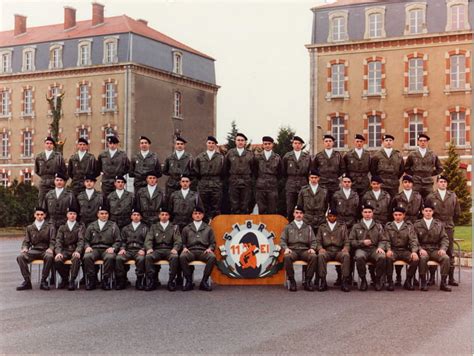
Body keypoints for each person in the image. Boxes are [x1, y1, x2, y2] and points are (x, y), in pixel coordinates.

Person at [426, 175, 460, 287]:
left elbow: (457, 213)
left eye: (445, 182)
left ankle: (450, 277)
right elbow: (429, 211)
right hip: (435, 226)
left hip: (449, 226)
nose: (443, 183)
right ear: (437, 183)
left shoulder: (453, 196)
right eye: (441, 181)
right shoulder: (431, 196)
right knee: (435, 249)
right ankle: (431, 277)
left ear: (447, 183)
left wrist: (449, 222)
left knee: (449, 252)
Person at [391, 175, 423, 286]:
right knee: (400, 247)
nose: (407, 184)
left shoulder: (418, 196)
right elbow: (393, 211)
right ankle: (398, 276)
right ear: (402, 184)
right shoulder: (397, 197)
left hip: (414, 224)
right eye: (405, 182)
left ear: (412, 184)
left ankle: (412, 277)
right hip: (401, 224)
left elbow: (421, 212)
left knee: (414, 250)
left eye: (409, 182)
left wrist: (418, 224)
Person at [414, 203, 451, 292]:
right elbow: (414, 239)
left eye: (430, 211)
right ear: (422, 212)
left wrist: (443, 249)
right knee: (423, 258)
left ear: (433, 212)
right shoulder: (417, 224)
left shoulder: (439, 224)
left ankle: (443, 283)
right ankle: (423, 282)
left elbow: (444, 238)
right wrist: (420, 249)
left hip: (435, 249)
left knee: (445, 258)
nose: (428, 213)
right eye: (426, 211)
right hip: (423, 249)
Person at [16, 207, 55, 291]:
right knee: (20, 257)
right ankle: (27, 282)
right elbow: (26, 241)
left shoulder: (50, 226)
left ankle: (43, 281)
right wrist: (25, 247)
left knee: (49, 257)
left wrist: (51, 248)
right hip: (34, 250)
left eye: (41, 214)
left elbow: (53, 240)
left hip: (45, 250)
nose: (39, 216)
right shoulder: (30, 227)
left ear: (45, 215)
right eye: (37, 214)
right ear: (34, 215)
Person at [349, 205, 387, 291]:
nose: (367, 214)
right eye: (365, 212)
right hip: (361, 249)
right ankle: (363, 279)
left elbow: (383, 240)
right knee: (359, 257)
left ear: (373, 213)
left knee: (382, 257)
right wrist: (362, 242)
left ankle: (377, 279)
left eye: (369, 212)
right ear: (362, 213)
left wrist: (380, 247)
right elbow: (351, 241)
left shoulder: (378, 226)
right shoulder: (356, 226)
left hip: (374, 249)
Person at [280, 205, 317, 292]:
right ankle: (292, 280)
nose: (299, 215)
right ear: (293, 214)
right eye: (297, 213)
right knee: (287, 257)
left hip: (304, 250)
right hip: (293, 250)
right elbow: (282, 240)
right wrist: (286, 248)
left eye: (300, 213)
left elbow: (314, 241)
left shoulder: (308, 227)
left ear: (303, 215)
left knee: (313, 256)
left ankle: (307, 281)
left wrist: (312, 248)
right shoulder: (288, 227)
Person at [144, 207, 182, 291]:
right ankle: (151, 280)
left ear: (169, 216)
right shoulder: (154, 226)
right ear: (159, 216)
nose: (164, 216)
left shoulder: (174, 227)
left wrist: (175, 248)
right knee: (148, 257)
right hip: (157, 250)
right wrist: (149, 248)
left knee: (175, 257)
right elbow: (149, 239)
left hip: (169, 249)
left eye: (166, 215)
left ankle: (171, 281)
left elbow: (178, 240)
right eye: (162, 214)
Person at [83, 207, 121, 290]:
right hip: (94, 248)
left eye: (106, 214)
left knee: (110, 257)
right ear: (98, 215)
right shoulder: (91, 225)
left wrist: (113, 248)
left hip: (107, 248)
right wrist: (87, 246)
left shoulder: (113, 226)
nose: (104, 215)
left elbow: (118, 241)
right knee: (87, 257)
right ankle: (92, 280)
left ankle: (106, 280)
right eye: (102, 213)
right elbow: (85, 240)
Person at [180, 207, 216, 291]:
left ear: (203, 215)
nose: (197, 215)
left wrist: (210, 248)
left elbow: (213, 243)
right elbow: (182, 242)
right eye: (195, 213)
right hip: (190, 251)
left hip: (203, 251)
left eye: (199, 214)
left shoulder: (208, 228)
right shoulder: (186, 228)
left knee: (212, 257)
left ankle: (204, 281)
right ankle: (189, 281)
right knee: (182, 257)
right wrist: (184, 248)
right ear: (192, 215)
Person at [384, 207, 419, 291]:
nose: (398, 217)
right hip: (393, 250)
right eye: (395, 215)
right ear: (393, 215)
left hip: (404, 250)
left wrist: (414, 252)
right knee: (388, 258)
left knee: (415, 259)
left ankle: (408, 281)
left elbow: (413, 240)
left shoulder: (409, 227)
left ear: (404, 215)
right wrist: (388, 249)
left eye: (400, 215)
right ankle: (390, 282)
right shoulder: (389, 226)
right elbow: (386, 240)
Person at [316, 208, 351, 292]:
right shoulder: (322, 227)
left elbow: (347, 241)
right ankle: (323, 281)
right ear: (327, 217)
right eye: (330, 216)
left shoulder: (342, 226)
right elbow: (318, 241)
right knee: (321, 256)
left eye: (334, 216)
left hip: (338, 251)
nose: (332, 218)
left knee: (346, 256)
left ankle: (344, 281)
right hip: (326, 250)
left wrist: (346, 248)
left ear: (337, 217)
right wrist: (320, 248)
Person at [115, 209, 148, 290]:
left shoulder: (145, 228)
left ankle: (139, 280)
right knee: (119, 258)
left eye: (138, 215)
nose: (136, 217)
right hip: (128, 250)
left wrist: (143, 249)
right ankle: (122, 280)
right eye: (134, 215)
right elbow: (122, 240)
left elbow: (148, 241)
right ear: (131, 217)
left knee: (141, 259)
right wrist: (122, 248)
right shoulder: (126, 228)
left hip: (139, 250)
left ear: (141, 217)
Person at [194, 136, 224, 222]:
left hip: (216, 184)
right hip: (203, 184)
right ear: (206, 144)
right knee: (203, 207)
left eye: (213, 143)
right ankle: (203, 226)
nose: (211, 145)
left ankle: (217, 226)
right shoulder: (200, 157)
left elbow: (223, 172)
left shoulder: (220, 157)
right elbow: (196, 171)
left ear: (215, 145)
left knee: (216, 207)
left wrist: (219, 182)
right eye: (209, 143)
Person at [54, 208, 85, 290]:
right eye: (70, 214)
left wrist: (78, 251)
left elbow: (81, 241)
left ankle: (72, 280)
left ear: (76, 216)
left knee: (76, 259)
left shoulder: (80, 227)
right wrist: (58, 252)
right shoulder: (62, 227)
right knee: (57, 260)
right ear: (67, 215)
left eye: (74, 214)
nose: (72, 216)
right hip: (64, 250)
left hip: (75, 250)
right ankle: (65, 278)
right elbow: (58, 241)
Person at [404, 134, 443, 199]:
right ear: (418, 142)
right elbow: (406, 168)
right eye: (421, 141)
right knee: (415, 200)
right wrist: (414, 174)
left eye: (425, 141)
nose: (423, 142)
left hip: (428, 182)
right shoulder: (412, 154)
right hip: (416, 182)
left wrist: (431, 173)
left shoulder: (432, 154)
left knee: (430, 200)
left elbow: (440, 168)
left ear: (427, 142)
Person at [224, 133, 254, 214]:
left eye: (242, 140)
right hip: (234, 181)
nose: (240, 142)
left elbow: (253, 168)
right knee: (234, 204)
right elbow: (226, 168)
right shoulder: (230, 153)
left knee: (245, 204)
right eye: (238, 140)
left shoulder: (250, 154)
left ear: (245, 142)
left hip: (246, 181)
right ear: (235, 142)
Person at [282, 136, 310, 220]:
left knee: (303, 207)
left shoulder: (307, 157)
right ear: (292, 144)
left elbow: (309, 170)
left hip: (303, 184)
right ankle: (290, 225)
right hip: (291, 184)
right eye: (295, 143)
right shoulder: (287, 156)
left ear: (301, 145)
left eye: (299, 144)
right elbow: (283, 171)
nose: (297, 145)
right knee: (290, 208)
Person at [311, 134, 345, 202]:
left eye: (330, 141)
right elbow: (314, 169)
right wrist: (320, 177)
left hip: (334, 184)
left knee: (334, 205)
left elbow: (342, 168)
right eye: (326, 141)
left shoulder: (338, 155)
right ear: (323, 143)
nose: (328, 143)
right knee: (322, 204)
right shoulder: (319, 156)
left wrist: (335, 176)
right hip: (322, 184)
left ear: (333, 143)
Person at [35, 136, 67, 205]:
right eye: (47, 143)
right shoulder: (39, 156)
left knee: (53, 202)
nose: (49, 145)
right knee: (42, 202)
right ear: (44, 144)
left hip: (54, 183)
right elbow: (37, 170)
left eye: (50, 143)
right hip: (43, 183)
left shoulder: (58, 157)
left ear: (53, 145)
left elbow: (64, 170)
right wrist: (44, 177)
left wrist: (59, 181)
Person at [370, 134, 404, 199]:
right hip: (382, 183)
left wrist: (395, 177)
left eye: (390, 140)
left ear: (393, 142)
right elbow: (373, 170)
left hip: (393, 184)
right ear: (383, 142)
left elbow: (401, 169)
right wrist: (378, 180)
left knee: (394, 201)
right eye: (386, 140)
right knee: (382, 201)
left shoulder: (398, 155)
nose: (388, 142)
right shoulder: (377, 155)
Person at [254, 136, 282, 214]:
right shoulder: (257, 157)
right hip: (260, 186)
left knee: (272, 209)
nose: (267, 145)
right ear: (262, 145)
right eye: (265, 144)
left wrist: (274, 181)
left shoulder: (277, 157)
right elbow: (255, 171)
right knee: (261, 209)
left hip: (272, 186)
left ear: (272, 145)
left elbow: (280, 172)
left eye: (269, 144)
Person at [162, 136, 193, 204]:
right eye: (178, 144)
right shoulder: (170, 157)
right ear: (175, 145)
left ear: (184, 145)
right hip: (171, 184)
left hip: (184, 183)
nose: (179, 146)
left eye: (181, 144)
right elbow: (165, 171)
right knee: (170, 202)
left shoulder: (189, 158)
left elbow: (192, 172)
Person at [296, 169, 328, 234]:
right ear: (309, 178)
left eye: (315, 178)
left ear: (318, 178)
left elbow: (326, 205)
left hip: (320, 219)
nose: (313, 179)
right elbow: (300, 205)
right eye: (312, 177)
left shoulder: (324, 191)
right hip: (307, 219)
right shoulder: (303, 190)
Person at [343, 134, 371, 199]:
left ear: (363, 143)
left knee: (364, 200)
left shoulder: (367, 155)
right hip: (353, 182)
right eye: (357, 141)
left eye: (361, 142)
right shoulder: (348, 155)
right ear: (354, 142)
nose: (359, 143)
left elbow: (371, 168)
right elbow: (344, 168)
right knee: (352, 200)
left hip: (364, 182)